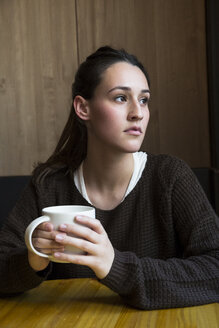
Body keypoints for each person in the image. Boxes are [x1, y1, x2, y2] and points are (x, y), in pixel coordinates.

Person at [0, 46, 218, 310]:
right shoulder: (49, 185)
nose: (138, 112)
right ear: (83, 108)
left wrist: (115, 266)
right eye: (120, 98)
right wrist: (33, 259)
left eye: (144, 100)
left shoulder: (170, 177)